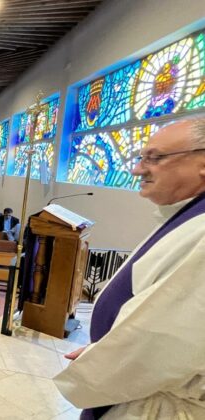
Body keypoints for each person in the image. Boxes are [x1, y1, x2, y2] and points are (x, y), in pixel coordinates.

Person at [54, 118, 205, 419]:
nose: (138, 169)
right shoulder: (185, 217)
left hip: (157, 403)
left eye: (155, 157)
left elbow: (163, 342)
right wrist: (104, 351)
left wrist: (99, 362)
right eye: (141, 157)